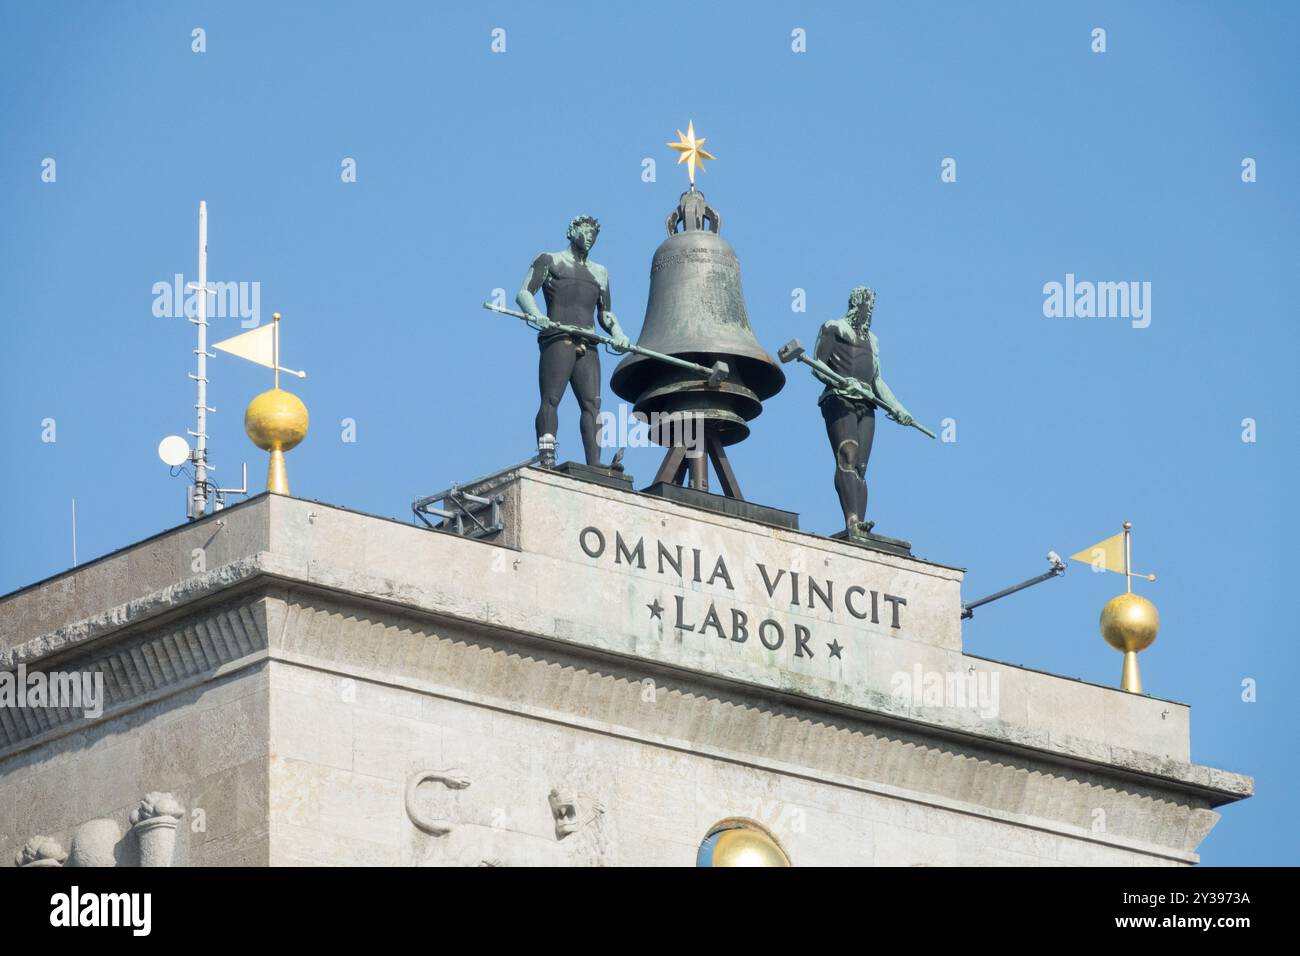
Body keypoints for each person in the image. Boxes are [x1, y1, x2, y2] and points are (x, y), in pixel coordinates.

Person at [516, 215, 629, 466]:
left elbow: (605, 313)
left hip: (588, 342)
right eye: (585, 231)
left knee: (593, 405)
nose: (590, 236)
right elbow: (524, 293)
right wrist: (536, 315)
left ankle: (595, 463)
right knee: (552, 398)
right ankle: (547, 453)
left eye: (594, 234)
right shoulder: (549, 260)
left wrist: (618, 334)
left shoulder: (600, 272)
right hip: (559, 337)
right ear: (571, 231)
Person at [812, 286, 914, 536]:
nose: (867, 312)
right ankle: (851, 519)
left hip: (867, 404)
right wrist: (839, 380)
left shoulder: (873, 340)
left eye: (871, 307)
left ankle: (861, 525)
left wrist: (898, 407)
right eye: (864, 306)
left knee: (861, 466)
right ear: (854, 305)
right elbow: (816, 366)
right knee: (848, 454)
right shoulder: (833, 327)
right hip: (839, 399)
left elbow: (877, 380)